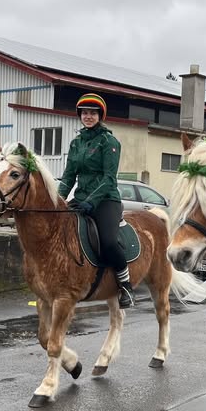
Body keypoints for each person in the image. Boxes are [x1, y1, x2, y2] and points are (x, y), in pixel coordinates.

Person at [56, 93, 135, 309]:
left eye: (92, 113)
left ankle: (125, 285)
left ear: (100, 116)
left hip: (106, 200)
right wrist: (58, 200)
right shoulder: (76, 143)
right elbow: (69, 176)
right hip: (81, 199)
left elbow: (109, 178)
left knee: (108, 242)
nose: (88, 116)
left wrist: (91, 201)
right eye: (84, 113)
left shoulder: (109, 142)